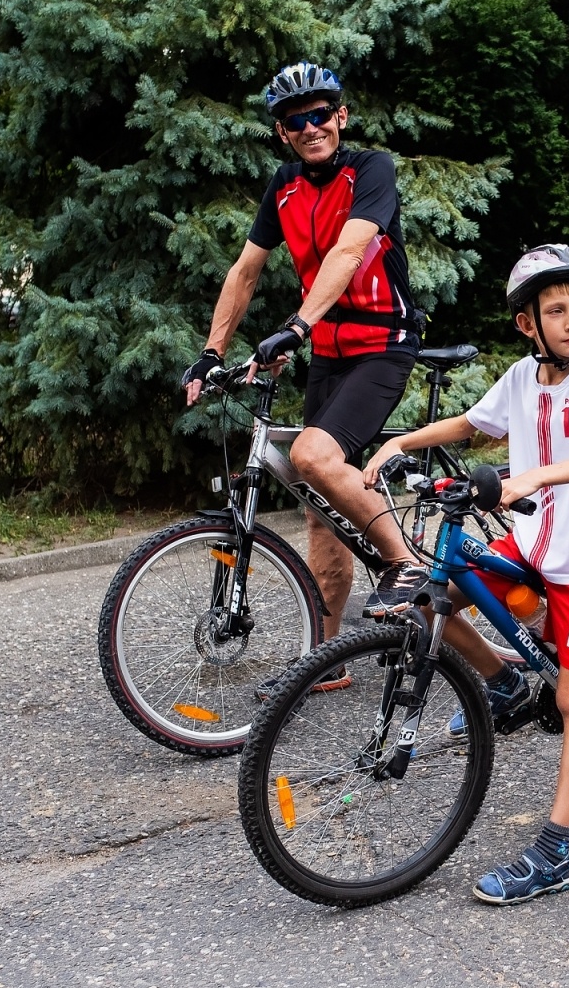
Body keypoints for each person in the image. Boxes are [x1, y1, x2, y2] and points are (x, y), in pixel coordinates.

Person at [363, 244, 569, 904]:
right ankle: (506, 683)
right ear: (527, 324)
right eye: (557, 310)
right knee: (433, 604)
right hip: (531, 541)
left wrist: (531, 475)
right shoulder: (520, 379)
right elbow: (470, 423)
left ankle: (554, 852)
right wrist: (402, 441)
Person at [181, 61, 430, 662]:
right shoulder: (284, 186)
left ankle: (405, 563)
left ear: (340, 117)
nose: (310, 126)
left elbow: (349, 251)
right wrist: (211, 351)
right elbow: (246, 271)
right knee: (320, 501)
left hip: (382, 345)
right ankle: (324, 657)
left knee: (313, 455)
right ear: (282, 132)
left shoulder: (370, 168)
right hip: (329, 353)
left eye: (320, 114)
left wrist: (296, 326)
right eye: (296, 121)